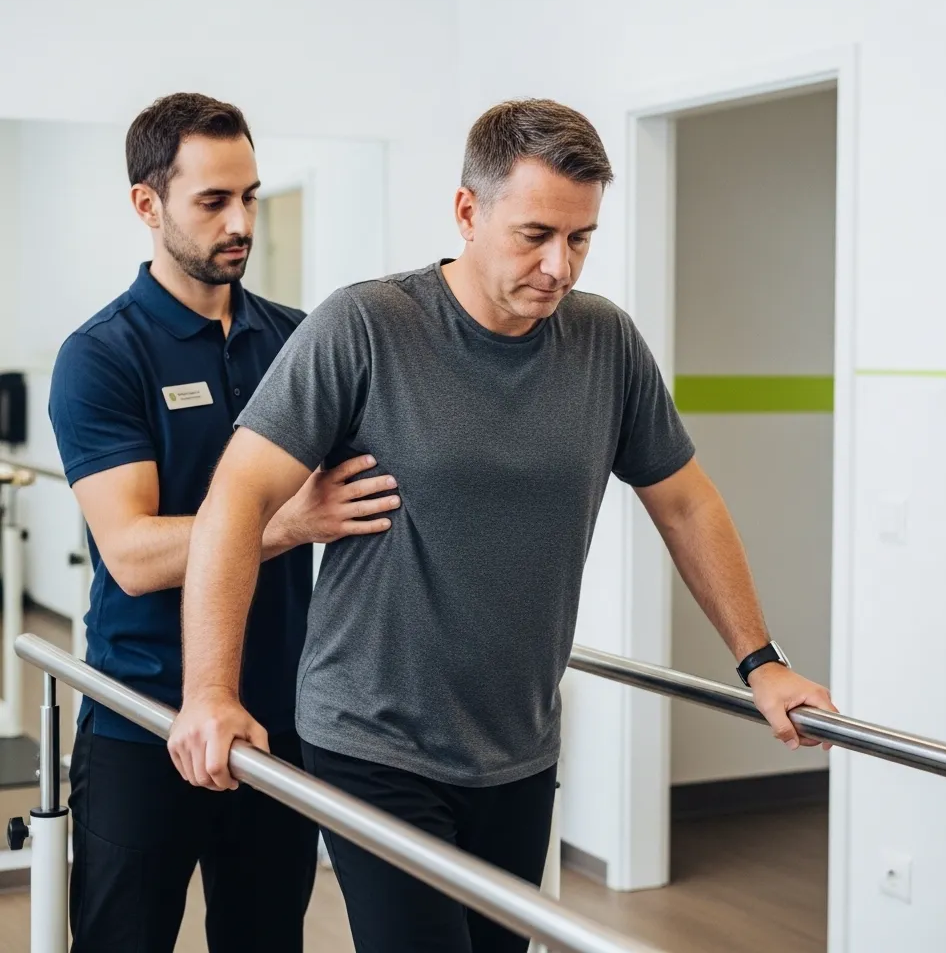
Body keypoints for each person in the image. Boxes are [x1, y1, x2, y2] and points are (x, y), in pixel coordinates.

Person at [168, 98, 837, 953]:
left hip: (517, 743)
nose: (560, 267)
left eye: (581, 238)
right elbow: (238, 498)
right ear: (466, 212)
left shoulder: (606, 344)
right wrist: (212, 692)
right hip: (375, 740)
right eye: (535, 235)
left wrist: (762, 662)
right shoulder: (367, 325)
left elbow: (686, 500)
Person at [48, 92, 400, 953]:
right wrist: (286, 523)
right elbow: (130, 553)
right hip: (143, 719)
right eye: (213, 201)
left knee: (266, 938)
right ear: (148, 204)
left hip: (277, 720)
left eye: (249, 195)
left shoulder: (298, 339)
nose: (241, 221)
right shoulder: (102, 356)